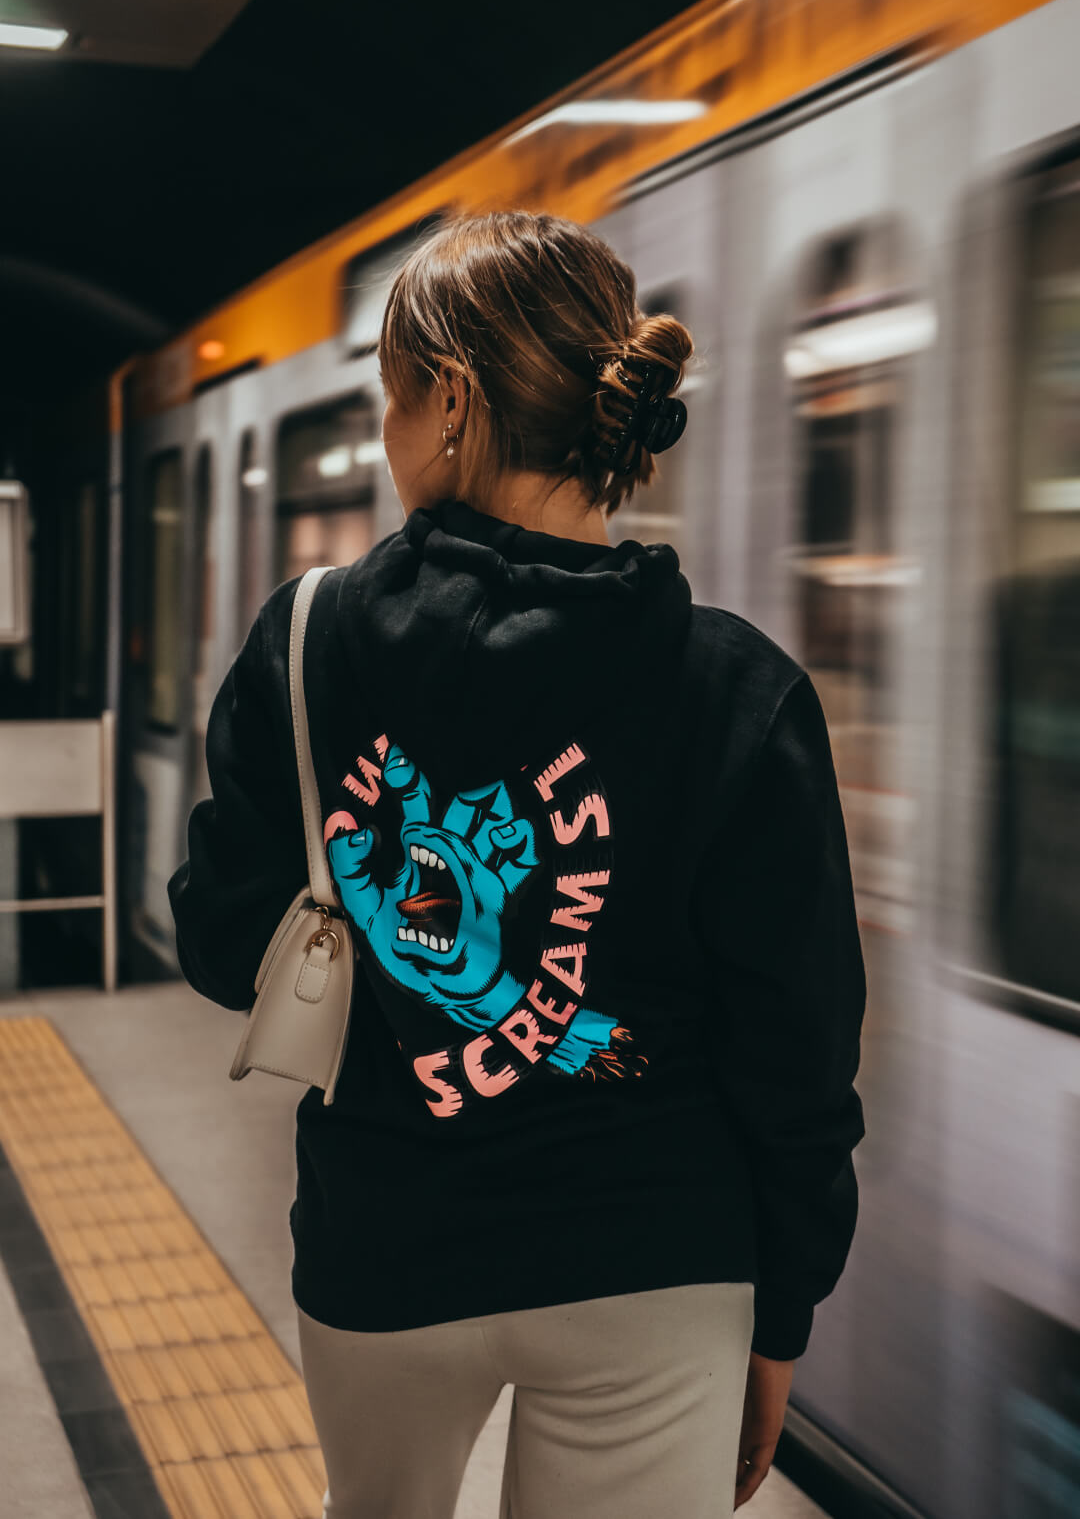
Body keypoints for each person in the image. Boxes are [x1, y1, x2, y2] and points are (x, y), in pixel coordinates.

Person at [168, 209, 867, 1519]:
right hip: (660, 1263)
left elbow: (220, 947)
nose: (384, 433)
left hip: (389, 1251)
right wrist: (784, 1308)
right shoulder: (739, 690)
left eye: (387, 396)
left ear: (447, 403)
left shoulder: (309, 639)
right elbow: (799, 1047)